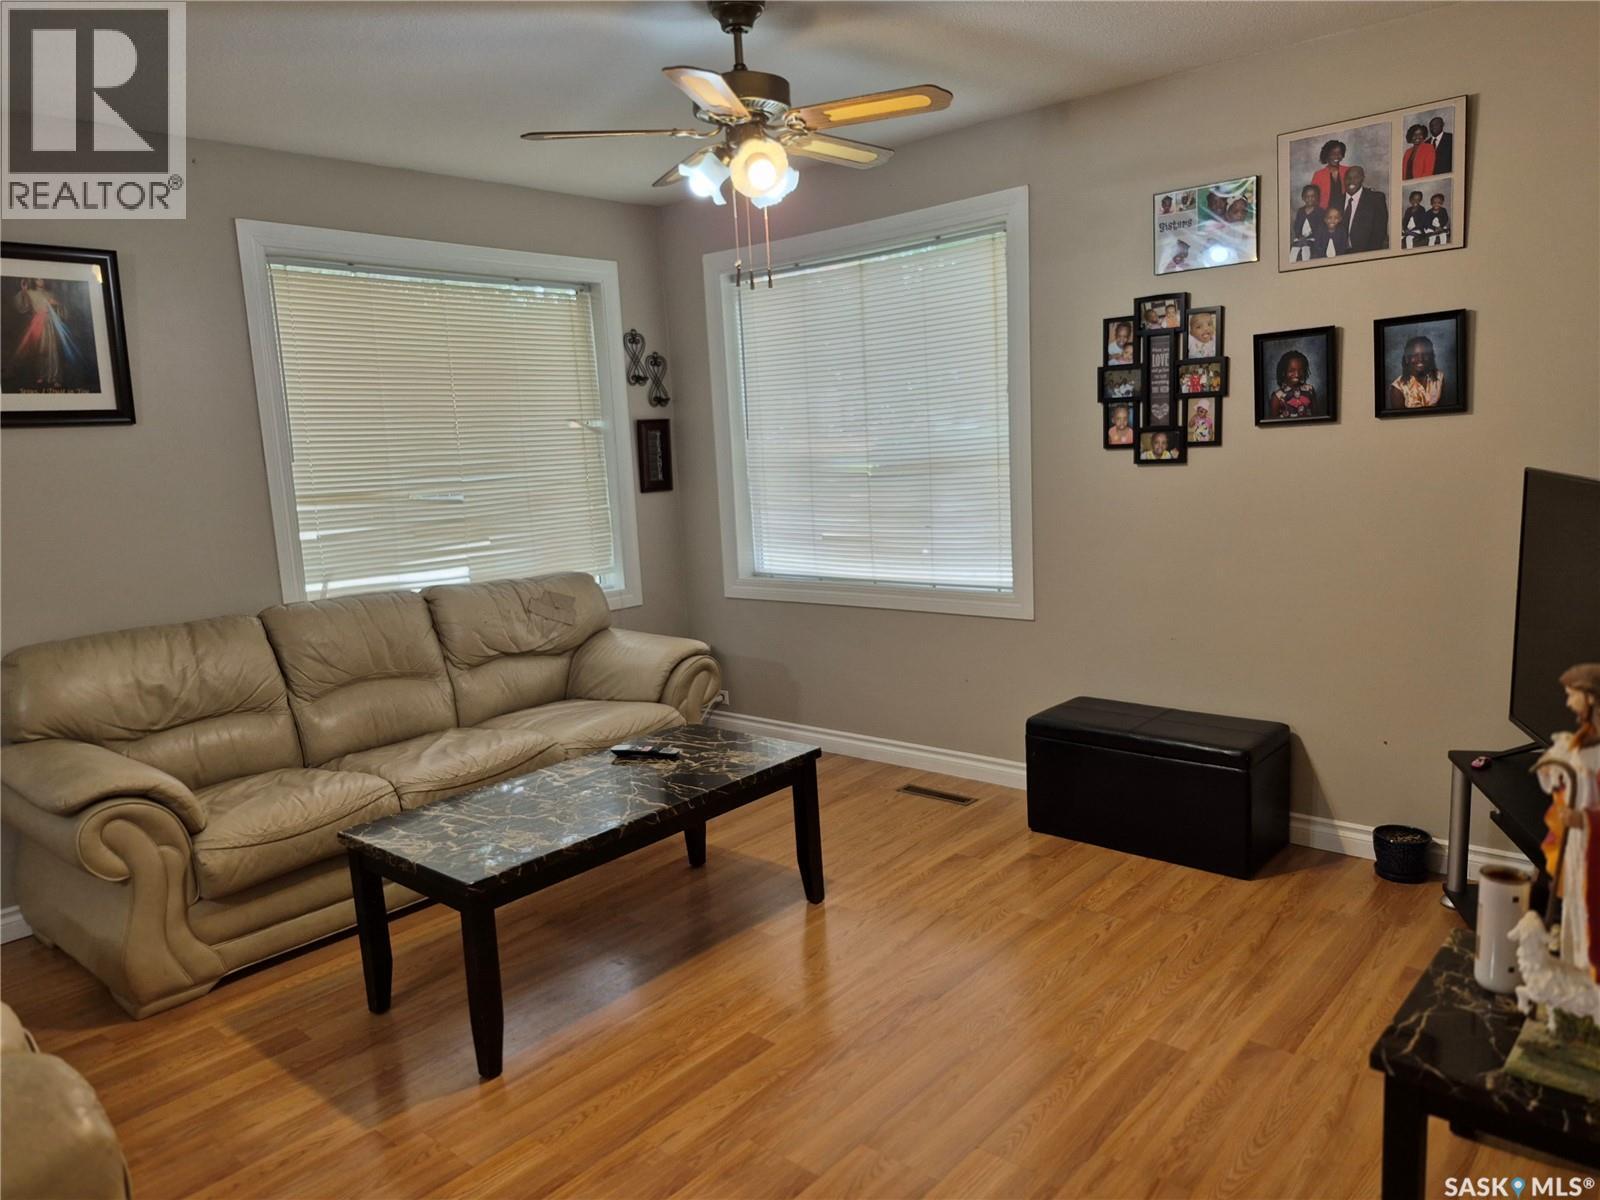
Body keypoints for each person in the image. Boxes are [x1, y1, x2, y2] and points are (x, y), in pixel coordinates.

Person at [1533, 663, 1600, 980]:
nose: (1568, 702)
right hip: (1577, 844)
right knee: (1574, 904)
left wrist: (1583, 819)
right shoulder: (1582, 739)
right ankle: (1575, 969)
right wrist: (1554, 770)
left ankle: (1588, 976)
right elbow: (1571, 779)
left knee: (1589, 909)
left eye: (1572, 695)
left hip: (1591, 846)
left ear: (1590, 698)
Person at [1386, 335, 1444, 408]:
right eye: (1415, 355)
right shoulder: (1397, 388)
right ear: (1407, 359)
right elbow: (1399, 419)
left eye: (1425, 354)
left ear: (1431, 356)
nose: (1420, 359)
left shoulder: (1439, 377)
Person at [1340, 165, 1389, 253]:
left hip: (1365, 253)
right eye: (1348, 178)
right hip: (1340, 255)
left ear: (1362, 178)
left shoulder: (1376, 199)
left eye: (1356, 177)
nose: (1351, 181)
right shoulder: (1336, 201)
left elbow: (1379, 232)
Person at [1269, 350, 1318, 418]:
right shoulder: (1277, 396)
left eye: (1301, 370)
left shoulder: (1310, 390)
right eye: (1291, 371)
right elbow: (1272, 423)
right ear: (1284, 372)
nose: (1297, 374)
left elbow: (1316, 415)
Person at [1289, 184, 1326, 262]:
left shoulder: (1320, 212)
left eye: (1313, 196)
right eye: (1307, 196)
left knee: (1306, 250)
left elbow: (1320, 229)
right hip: (1300, 237)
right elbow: (1297, 226)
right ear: (1303, 198)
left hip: (1313, 239)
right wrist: (1300, 237)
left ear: (1317, 197)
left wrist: (1307, 239)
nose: (1310, 199)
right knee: (1294, 250)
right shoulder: (1301, 211)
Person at [1311, 139, 1349, 207]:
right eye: (1332, 153)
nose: (1336, 156)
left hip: (1345, 212)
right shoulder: (1318, 175)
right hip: (1325, 214)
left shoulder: (1348, 171)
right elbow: (1313, 198)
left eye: (1339, 153)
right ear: (1327, 155)